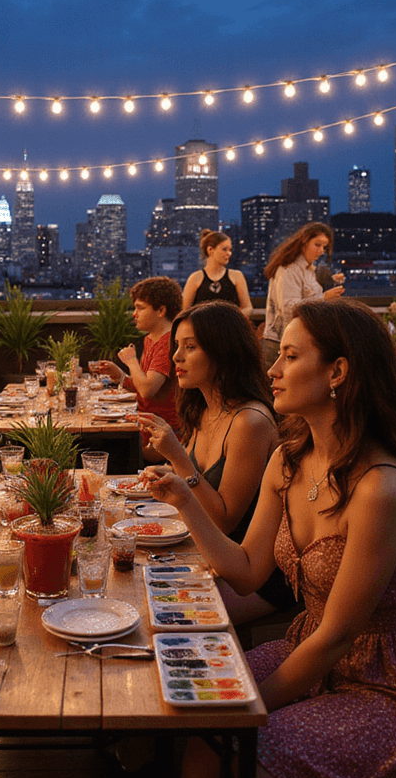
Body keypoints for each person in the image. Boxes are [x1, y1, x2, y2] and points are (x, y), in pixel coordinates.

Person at [144, 300, 396, 778]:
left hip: (394, 683)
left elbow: (337, 636)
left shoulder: (381, 487)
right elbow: (248, 570)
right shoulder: (289, 459)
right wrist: (184, 498)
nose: (273, 371)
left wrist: (248, 706)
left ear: (338, 371)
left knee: (247, 760)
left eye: (288, 355)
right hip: (311, 651)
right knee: (203, 741)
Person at [137, 301, 295, 621]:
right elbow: (202, 479)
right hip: (207, 551)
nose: (176, 357)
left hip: (254, 575)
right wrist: (166, 470)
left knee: (153, 612)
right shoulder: (204, 407)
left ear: (223, 351)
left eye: (190, 347)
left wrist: (178, 458)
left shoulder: (250, 421)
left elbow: (224, 520)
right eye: (177, 346)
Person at [91, 276, 182, 460]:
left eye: (140, 308)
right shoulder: (151, 339)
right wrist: (121, 376)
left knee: (99, 450)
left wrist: (131, 361)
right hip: (146, 429)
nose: (134, 314)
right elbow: (144, 386)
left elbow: (148, 390)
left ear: (161, 311)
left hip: (166, 438)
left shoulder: (168, 342)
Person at [261, 222, 344, 367]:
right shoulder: (289, 269)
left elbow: (307, 295)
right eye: (317, 245)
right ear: (304, 242)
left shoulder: (309, 270)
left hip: (299, 341)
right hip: (280, 344)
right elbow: (288, 307)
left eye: (324, 247)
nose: (321, 251)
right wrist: (323, 298)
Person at [181, 229, 254, 318]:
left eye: (230, 250)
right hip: (203, 329)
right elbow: (184, 311)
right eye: (224, 249)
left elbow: (248, 307)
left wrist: (232, 319)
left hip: (231, 328)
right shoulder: (195, 278)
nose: (229, 253)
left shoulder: (237, 276)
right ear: (210, 250)